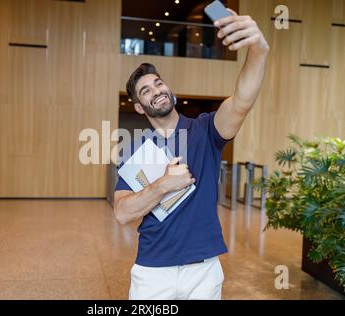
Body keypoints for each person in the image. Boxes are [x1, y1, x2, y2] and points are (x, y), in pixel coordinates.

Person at [113, 8, 269, 300]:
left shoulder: (206, 130)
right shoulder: (134, 150)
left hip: (204, 270)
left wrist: (259, 50)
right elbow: (122, 213)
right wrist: (163, 185)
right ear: (138, 106)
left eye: (158, 83)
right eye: (145, 91)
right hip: (152, 272)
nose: (156, 90)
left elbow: (242, 100)